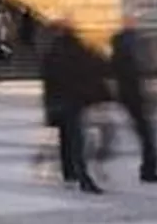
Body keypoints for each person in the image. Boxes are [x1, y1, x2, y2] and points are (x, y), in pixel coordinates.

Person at [40, 21, 110, 194]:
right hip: (73, 100)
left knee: (66, 139)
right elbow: (93, 69)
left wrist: (48, 107)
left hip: (59, 101)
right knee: (76, 140)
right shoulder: (76, 50)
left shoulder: (51, 52)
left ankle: (69, 173)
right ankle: (83, 178)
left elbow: (48, 83)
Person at [109, 18, 157, 183]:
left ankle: (149, 169)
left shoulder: (119, 46)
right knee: (148, 135)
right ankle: (149, 171)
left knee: (147, 134)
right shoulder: (131, 45)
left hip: (131, 94)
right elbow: (140, 68)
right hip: (136, 95)